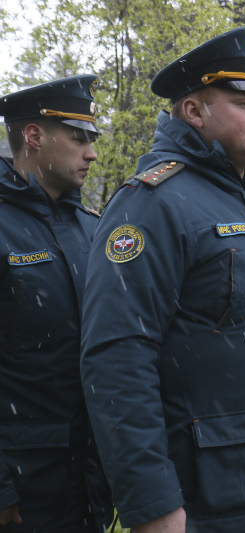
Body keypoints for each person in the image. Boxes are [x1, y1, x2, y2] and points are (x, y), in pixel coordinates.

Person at [81, 27, 245, 532]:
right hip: (207, 502)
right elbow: (118, 359)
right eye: (244, 102)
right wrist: (154, 505)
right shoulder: (153, 203)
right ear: (194, 111)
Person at [0, 75, 113, 533]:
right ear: (33, 136)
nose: (91, 153)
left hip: (88, 480)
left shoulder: (91, 228)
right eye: (78, 138)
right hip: (25, 488)